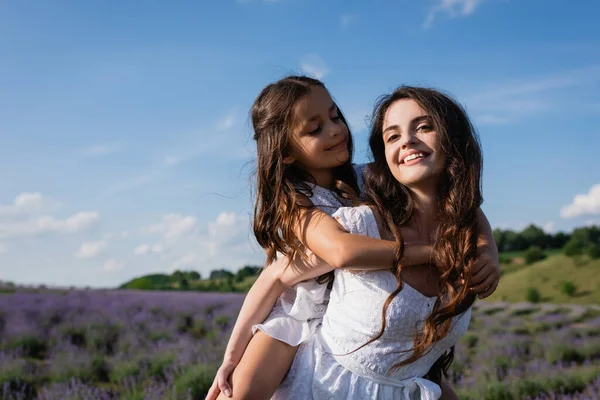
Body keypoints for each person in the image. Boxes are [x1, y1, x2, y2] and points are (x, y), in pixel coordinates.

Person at [206, 77, 499, 399]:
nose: (334, 130)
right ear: (286, 152)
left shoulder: (366, 177)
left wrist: (486, 251)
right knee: (240, 391)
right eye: (314, 129)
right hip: (300, 311)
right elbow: (331, 256)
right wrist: (232, 355)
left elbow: (458, 202)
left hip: (359, 311)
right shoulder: (297, 206)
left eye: (334, 116)